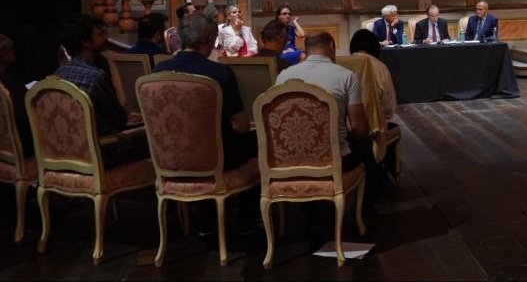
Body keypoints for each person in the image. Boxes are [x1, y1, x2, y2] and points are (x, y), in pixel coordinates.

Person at [153, 13, 259, 237]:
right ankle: (248, 223)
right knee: (253, 144)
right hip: (216, 159)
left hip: (168, 158)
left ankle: (204, 223)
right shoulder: (219, 73)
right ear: (211, 39)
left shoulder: (157, 73)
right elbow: (240, 125)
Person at [54, 14, 148, 167]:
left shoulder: (57, 74)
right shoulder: (96, 77)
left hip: (66, 154)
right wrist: (124, 111)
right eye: (100, 34)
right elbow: (118, 121)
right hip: (102, 154)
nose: (106, 37)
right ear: (85, 42)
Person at [275, 32, 369, 172]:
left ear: (306, 51)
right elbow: (360, 131)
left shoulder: (283, 76)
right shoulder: (347, 76)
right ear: (332, 46)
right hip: (336, 160)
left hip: (290, 161)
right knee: (365, 147)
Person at [349, 29, 397, 121]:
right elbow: (389, 107)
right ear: (375, 46)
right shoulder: (380, 68)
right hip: (375, 126)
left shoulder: (342, 65)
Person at [0, 33, 33, 157]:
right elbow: (27, 113)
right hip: (22, 149)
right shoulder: (9, 83)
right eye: (11, 50)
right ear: (3, 55)